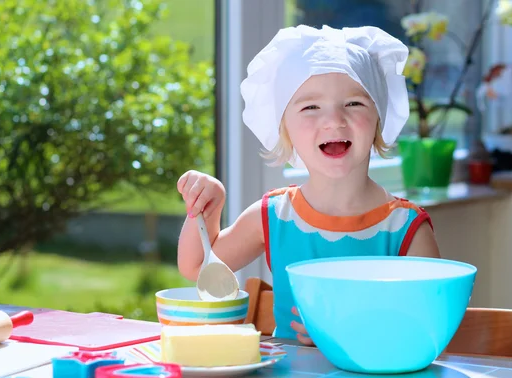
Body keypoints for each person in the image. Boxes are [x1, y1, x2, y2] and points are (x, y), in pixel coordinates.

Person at [176, 24, 441, 345]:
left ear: (379, 119)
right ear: (285, 129)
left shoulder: (406, 228)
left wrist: (355, 333)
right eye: (310, 107)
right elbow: (196, 267)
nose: (333, 120)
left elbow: (430, 325)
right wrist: (208, 208)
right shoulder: (274, 215)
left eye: (354, 103)